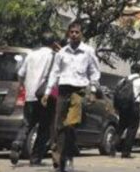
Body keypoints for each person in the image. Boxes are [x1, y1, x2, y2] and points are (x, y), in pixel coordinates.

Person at [41, 22, 100, 172]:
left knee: (70, 125)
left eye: (77, 32)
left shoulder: (88, 51)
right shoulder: (62, 52)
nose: (74, 34)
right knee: (59, 127)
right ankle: (58, 159)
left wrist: (93, 91)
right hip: (63, 90)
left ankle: (68, 157)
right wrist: (47, 92)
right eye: (71, 32)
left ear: (81, 34)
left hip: (78, 91)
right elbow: (54, 72)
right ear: (68, 33)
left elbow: (94, 72)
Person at [9, 34, 58, 166]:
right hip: (45, 96)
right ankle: (35, 159)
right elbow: (55, 77)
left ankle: (17, 143)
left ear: (41, 42)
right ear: (53, 43)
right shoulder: (54, 56)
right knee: (44, 128)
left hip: (30, 96)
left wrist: (24, 86)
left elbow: (20, 74)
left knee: (27, 123)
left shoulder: (31, 55)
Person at [115, 63, 140, 158]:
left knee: (121, 127)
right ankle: (126, 152)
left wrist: (117, 108)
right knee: (132, 129)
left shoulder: (123, 80)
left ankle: (111, 149)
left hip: (123, 107)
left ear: (131, 70)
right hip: (134, 106)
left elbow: (116, 93)